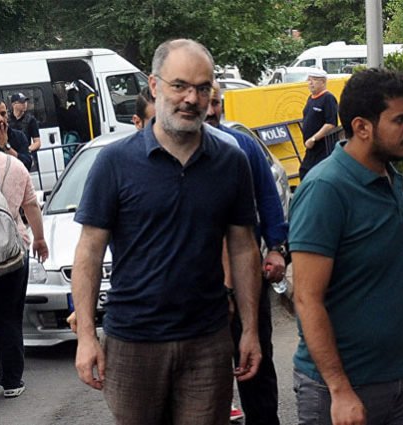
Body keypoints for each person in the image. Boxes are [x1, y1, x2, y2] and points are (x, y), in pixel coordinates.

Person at [70, 39, 262, 425]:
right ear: (155, 86)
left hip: (207, 342)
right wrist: (86, 336)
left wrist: (250, 330)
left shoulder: (231, 162)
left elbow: (243, 248)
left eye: (203, 88)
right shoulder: (114, 163)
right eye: (180, 86)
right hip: (132, 343)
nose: (192, 98)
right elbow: (89, 251)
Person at [289, 68, 403, 425]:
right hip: (343, 392)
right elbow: (306, 298)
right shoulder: (325, 189)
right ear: (362, 127)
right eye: (400, 119)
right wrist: (339, 390)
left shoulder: (389, 176)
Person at [206, 81, 288, 425]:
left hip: (247, 278)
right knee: (204, 380)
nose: (211, 110)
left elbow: (269, 199)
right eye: (206, 102)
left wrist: (277, 249)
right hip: (197, 287)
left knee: (256, 366)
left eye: (216, 102)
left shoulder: (242, 146)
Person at [0, 133, 48, 398]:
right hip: (14, 250)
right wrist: (40, 240)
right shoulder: (14, 165)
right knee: (9, 315)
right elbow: (31, 204)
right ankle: (12, 381)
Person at [298, 68, 338, 180]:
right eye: (309, 80)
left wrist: (314, 139)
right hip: (311, 148)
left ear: (323, 82)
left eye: (314, 80)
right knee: (304, 172)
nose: (310, 83)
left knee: (315, 175)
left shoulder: (328, 98)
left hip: (323, 148)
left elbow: (331, 124)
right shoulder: (310, 99)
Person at [0, 97, 33, 170]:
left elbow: (27, 164)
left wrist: (6, 147)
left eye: (3, 114)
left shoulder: (19, 136)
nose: (0, 119)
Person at [9, 93, 42, 160]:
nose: (25, 104)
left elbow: (37, 142)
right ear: (13, 104)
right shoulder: (7, 119)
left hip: (25, 156)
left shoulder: (30, 119)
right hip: (11, 156)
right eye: (21, 102)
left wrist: (27, 150)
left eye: (25, 101)